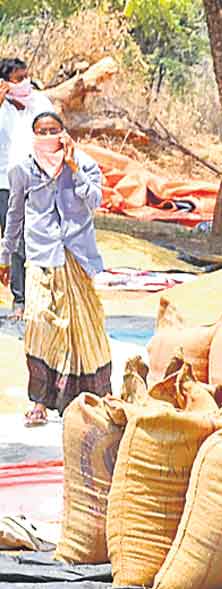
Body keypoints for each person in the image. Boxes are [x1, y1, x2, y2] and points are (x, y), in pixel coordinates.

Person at [0, 112, 110, 426]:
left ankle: (90, 398)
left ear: (64, 133)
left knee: (81, 329)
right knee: (37, 324)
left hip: (76, 256)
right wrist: (5, 256)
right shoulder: (23, 169)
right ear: (33, 135)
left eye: (53, 130)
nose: (48, 136)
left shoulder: (84, 164)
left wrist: (74, 168)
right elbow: (15, 215)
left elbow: (95, 201)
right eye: (41, 131)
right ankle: (39, 401)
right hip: (40, 257)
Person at [0, 57, 54, 320]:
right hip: (2, 183)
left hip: (34, 181)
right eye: (18, 79)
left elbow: (55, 134)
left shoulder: (40, 103)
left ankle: (25, 300)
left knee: (27, 241)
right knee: (10, 243)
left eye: (26, 77)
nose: (25, 83)